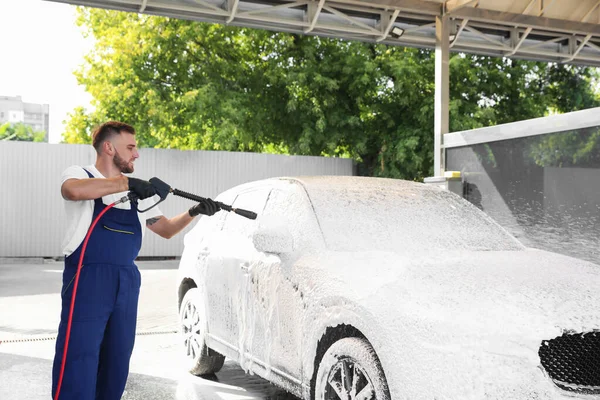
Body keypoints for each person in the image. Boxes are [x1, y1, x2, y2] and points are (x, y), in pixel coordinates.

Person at [52, 121, 218, 400]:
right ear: (108, 147)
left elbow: (164, 229)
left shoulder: (137, 195)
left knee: (117, 357)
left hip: (126, 281)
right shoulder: (80, 174)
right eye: (130, 147)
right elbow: (73, 191)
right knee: (78, 355)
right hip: (87, 277)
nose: (136, 154)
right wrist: (126, 183)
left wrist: (195, 211)